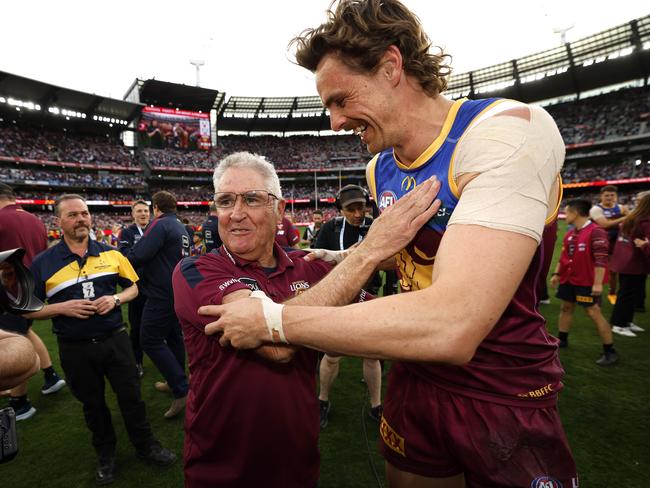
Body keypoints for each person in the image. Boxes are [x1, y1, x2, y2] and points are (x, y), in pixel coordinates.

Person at [200, 1, 577, 486]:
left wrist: (273, 320)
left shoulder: (508, 131)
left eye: (340, 100)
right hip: (414, 372)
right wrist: (347, 254)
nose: (334, 123)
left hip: (500, 386)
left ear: (391, 67)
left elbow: (455, 325)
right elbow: (413, 252)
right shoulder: (381, 168)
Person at [173, 152, 371, 488]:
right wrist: (364, 259)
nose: (236, 214)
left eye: (251, 199)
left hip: (299, 462)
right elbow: (276, 347)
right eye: (225, 201)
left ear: (279, 210)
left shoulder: (310, 265)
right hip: (222, 469)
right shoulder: (196, 269)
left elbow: (375, 314)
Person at [26, 194, 176, 485]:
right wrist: (61, 308)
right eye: (72, 215)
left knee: (132, 398)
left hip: (115, 339)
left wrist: (116, 298)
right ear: (58, 222)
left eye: (84, 213)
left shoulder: (111, 253)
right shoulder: (43, 263)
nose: (80, 218)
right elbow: (29, 309)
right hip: (74, 347)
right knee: (93, 405)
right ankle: (106, 454)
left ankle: (147, 446)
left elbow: (133, 288)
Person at [313, 184, 383, 428]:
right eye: (350, 209)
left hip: (368, 295)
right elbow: (316, 259)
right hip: (339, 298)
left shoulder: (376, 227)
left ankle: (376, 405)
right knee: (332, 355)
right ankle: (323, 400)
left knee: (372, 355)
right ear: (339, 210)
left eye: (360, 208)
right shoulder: (331, 228)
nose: (356, 214)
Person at [0, 182, 65, 420]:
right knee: (24, 331)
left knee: (11, 339)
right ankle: (50, 375)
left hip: (12, 289)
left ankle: (20, 402)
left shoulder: (1, 219)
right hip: (34, 285)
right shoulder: (34, 219)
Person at [127, 191, 190, 419]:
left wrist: (121, 260)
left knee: (149, 340)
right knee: (173, 337)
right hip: (177, 289)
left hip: (161, 292)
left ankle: (181, 388)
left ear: (156, 208)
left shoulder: (160, 224)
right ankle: (177, 381)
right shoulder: (180, 227)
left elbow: (139, 255)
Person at [549, 199, 618, 365]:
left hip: (586, 282)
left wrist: (597, 283)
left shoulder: (596, 231)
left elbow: (601, 260)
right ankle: (562, 340)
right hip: (569, 280)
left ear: (576, 213)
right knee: (566, 308)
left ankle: (610, 351)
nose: (565, 216)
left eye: (567, 212)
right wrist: (557, 273)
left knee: (593, 312)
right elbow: (564, 256)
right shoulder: (571, 233)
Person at [609, 192, 650, 336]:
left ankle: (626, 321)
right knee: (627, 295)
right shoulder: (644, 220)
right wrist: (645, 245)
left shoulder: (634, 217)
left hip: (628, 262)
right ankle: (619, 324)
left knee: (630, 294)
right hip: (634, 264)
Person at [118, 200, 151, 377]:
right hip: (136, 288)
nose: (143, 214)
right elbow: (124, 256)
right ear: (133, 214)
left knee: (161, 325)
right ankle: (137, 361)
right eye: (139, 211)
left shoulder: (155, 228)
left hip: (155, 286)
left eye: (145, 211)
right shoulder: (127, 232)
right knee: (136, 327)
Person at [589, 185, 629, 304]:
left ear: (616, 196)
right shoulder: (596, 209)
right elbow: (604, 224)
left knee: (613, 270)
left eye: (612, 195)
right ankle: (593, 292)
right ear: (601, 196)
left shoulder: (621, 207)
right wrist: (625, 218)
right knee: (596, 267)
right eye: (606, 195)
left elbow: (632, 219)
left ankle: (612, 293)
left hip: (615, 242)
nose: (609, 197)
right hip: (598, 242)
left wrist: (628, 217)